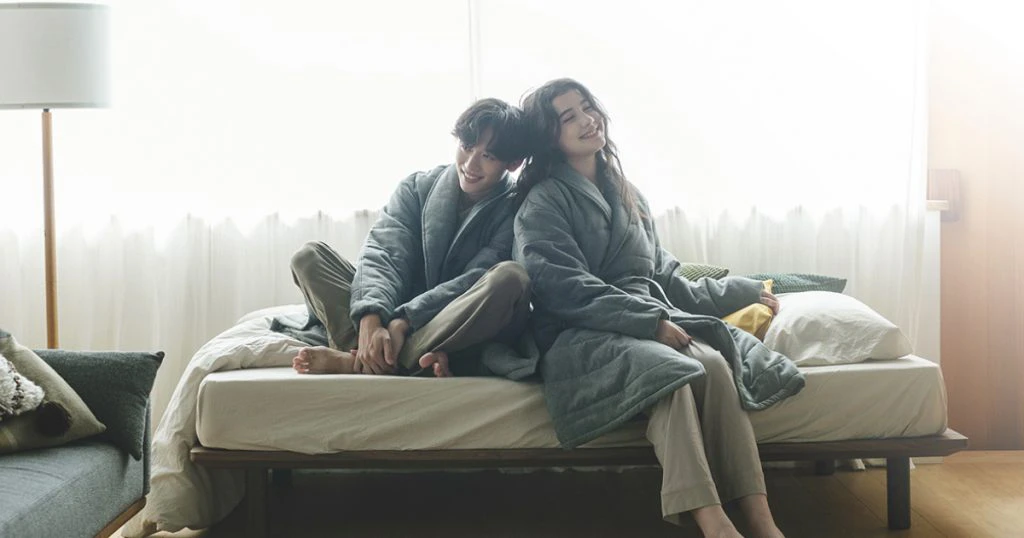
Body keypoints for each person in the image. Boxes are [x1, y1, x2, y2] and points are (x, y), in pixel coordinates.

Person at [514, 78, 805, 537]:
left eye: (587, 107)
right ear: (550, 136)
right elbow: (562, 288)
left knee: (714, 366)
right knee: (672, 373)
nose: (587, 120)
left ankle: (760, 518)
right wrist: (649, 322)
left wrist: (743, 291)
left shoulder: (628, 193)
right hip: (579, 333)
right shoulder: (543, 201)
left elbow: (665, 277)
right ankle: (715, 524)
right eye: (569, 117)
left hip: (644, 319)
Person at [288, 98, 532, 378]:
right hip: (396, 314)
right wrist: (370, 316)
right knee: (309, 257)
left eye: (488, 156)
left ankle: (357, 361)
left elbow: (473, 281)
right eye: (466, 147)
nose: (471, 164)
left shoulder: (516, 207)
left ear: (513, 163)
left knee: (510, 278)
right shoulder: (416, 187)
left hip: (446, 319)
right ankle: (384, 354)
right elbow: (384, 253)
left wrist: (406, 319)